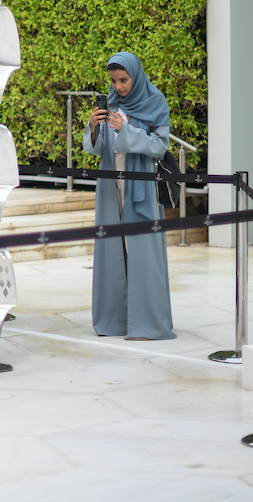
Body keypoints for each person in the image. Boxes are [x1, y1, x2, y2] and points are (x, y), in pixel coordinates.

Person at [82, 51, 175, 340]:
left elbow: (159, 146)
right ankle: (114, 321)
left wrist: (128, 129)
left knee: (143, 250)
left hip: (141, 185)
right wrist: (93, 128)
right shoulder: (112, 103)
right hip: (111, 184)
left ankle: (146, 323)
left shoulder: (155, 102)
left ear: (136, 75)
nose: (119, 86)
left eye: (123, 80)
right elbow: (95, 148)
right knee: (113, 247)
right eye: (114, 80)